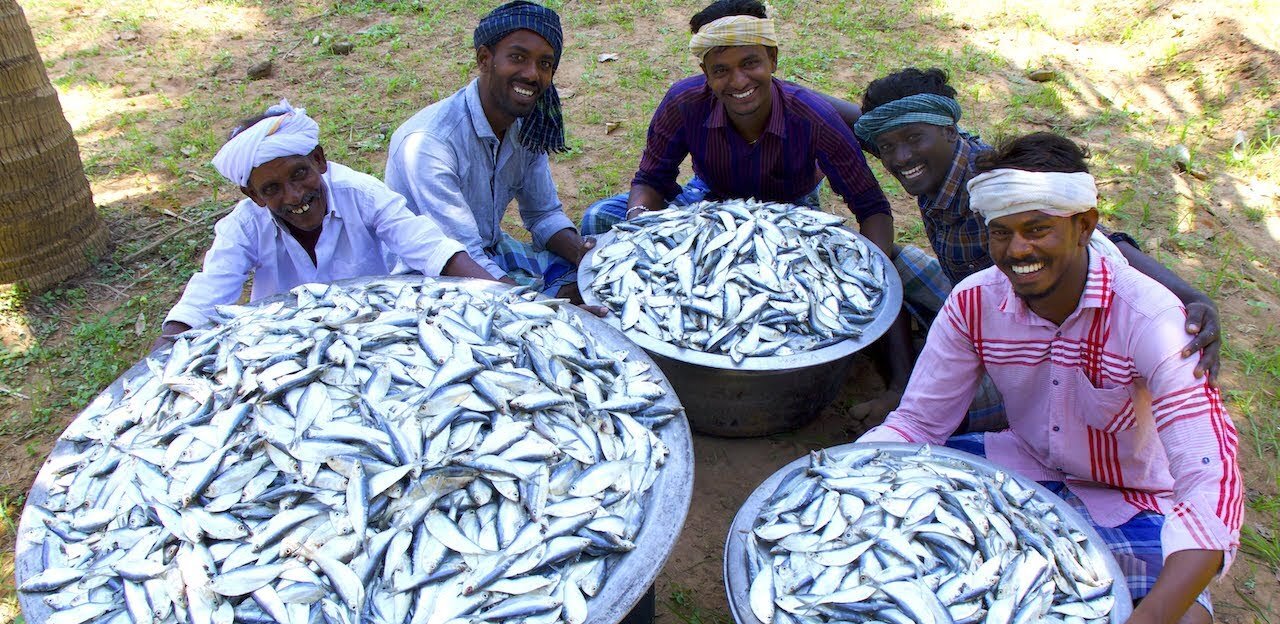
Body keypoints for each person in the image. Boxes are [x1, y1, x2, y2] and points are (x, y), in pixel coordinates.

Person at [859, 132, 1241, 624]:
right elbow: (917, 425)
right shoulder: (974, 302)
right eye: (1000, 232)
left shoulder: (1151, 318)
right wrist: (850, 470)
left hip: (1129, 497)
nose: (1017, 251)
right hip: (1020, 466)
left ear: (1084, 225)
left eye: (1037, 229)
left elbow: (1212, 482)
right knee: (880, 533)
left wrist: (1153, 619)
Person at [580, 0, 913, 388]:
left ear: (772, 60)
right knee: (602, 219)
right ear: (705, 73)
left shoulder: (813, 117)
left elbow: (871, 207)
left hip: (791, 212)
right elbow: (652, 180)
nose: (738, 82)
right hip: (710, 201)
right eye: (721, 71)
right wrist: (639, 226)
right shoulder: (685, 102)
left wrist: (866, 274)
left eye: (750, 64)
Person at [853, 67, 1222, 383]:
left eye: (913, 138)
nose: (901, 157)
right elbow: (874, 130)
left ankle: (919, 377)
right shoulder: (925, 163)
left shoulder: (994, 183)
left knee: (944, 408)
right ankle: (914, 365)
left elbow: (1097, 240)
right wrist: (798, 93)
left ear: (950, 130)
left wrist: (1192, 297)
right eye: (887, 147)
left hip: (1028, 338)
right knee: (884, 260)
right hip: (967, 299)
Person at [156, 100, 491, 347]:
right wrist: (155, 362)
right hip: (281, 344)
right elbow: (203, 300)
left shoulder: (361, 194)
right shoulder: (243, 227)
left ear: (318, 160)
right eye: (272, 189)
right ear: (254, 195)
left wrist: (506, 299)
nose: (294, 196)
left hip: (369, 332)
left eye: (299, 174)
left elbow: (432, 249)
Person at [385, 1, 596, 306]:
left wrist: (582, 255)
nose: (532, 74)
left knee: (590, 282)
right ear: (485, 59)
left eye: (545, 64)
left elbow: (543, 213)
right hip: (432, 277)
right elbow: (461, 257)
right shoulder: (430, 144)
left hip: (488, 250)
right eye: (518, 58)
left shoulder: (525, 126)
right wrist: (534, 307)